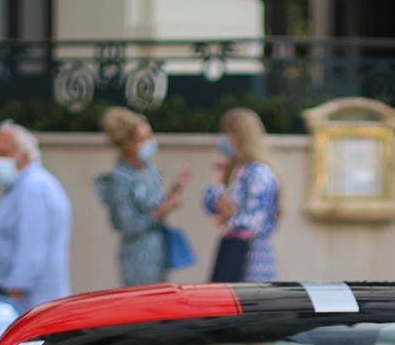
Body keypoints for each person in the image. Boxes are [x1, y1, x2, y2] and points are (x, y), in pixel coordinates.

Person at [93, 106, 187, 286]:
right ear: (129, 145)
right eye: (145, 138)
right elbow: (128, 224)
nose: (151, 142)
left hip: (158, 252)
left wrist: (176, 189)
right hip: (137, 256)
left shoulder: (150, 171)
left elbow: (156, 204)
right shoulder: (120, 179)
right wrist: (162, 211)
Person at [0, 119, 71, 309]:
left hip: (28, 304)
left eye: (4, 154)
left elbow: (31, 252)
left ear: (24, 155)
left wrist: (11, 296)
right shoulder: (21, 187)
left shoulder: (32, 189)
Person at [203, 107, 280, 282]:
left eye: (227, 133)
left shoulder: (259, 173)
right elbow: (211, 204)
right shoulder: (239, 170)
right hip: (235, 249)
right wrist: (220, 172)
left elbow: (253, 220)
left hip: (252, 255)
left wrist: (229, 218)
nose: (223, 140)